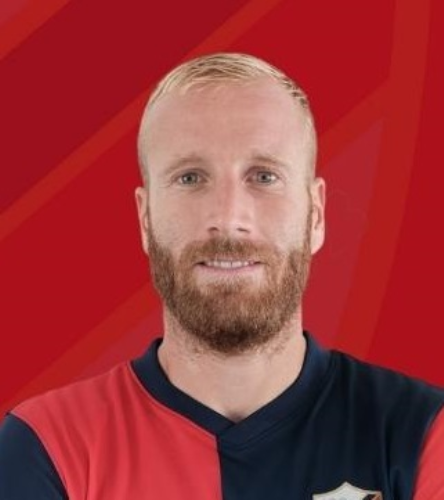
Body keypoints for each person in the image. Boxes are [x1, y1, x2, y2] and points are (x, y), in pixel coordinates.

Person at [0, 53, 443, 500]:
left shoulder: (424, 434)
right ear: (145, 218)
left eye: (264, 176)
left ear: (316, 215)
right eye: (190, 178)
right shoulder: (48, 446)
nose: (228, 218)